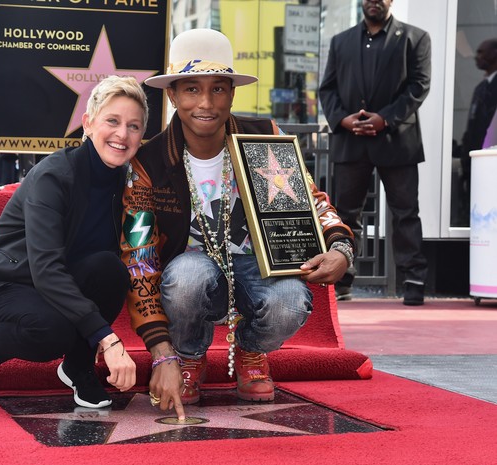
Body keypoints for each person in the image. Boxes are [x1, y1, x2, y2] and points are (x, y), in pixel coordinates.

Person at [120, 28, 355, 420]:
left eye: (219, 89)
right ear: (173, 95)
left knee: (291, 302)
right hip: (191, 274)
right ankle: (189, 355)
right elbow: (139, 260)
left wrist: (339, 248)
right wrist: (162, 354)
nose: (206, 103)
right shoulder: (149, 161)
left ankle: (251, 349)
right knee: (185, 277)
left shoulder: (264, 137)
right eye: (192, 89)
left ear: (232, 92)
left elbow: (311, 200)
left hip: (259, 267)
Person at [0, 75, 147, 407]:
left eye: (134, 126)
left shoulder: (127, 181)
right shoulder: (54, 175)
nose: (122, 134)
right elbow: (46, 268)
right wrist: (107, 340)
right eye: (113, 121)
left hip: (56, 283)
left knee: (111, 270)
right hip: (4, 286)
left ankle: (77, 367)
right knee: (54, 330)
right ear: (88, 123)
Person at [318, 0, 431, 306]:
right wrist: (343, 119)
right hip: (351, 141)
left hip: (397, 141)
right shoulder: (340, 42)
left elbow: (419, 86)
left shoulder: (415, 37)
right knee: (344, 214)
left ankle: (413, 278)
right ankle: (342, 278)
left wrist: (385, 119)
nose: (374, 1)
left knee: (406, 213)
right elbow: (327, 89)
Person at [459, 38, 497, 211]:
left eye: (481, 52)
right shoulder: (481, 88)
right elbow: (473, 127)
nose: (476, 56)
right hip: (477, 164)